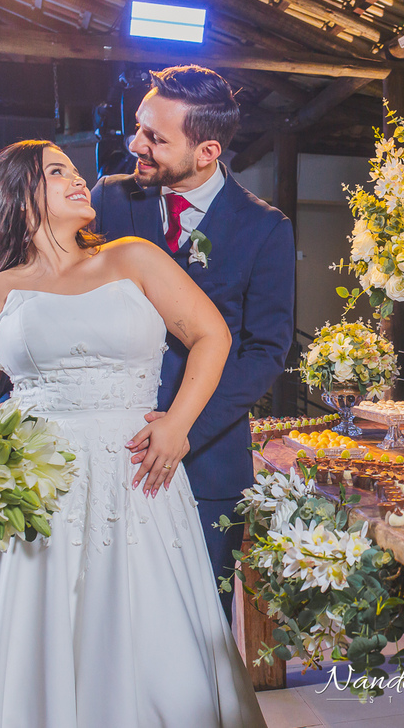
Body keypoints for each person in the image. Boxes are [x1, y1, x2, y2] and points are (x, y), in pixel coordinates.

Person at [0, 141, 267, 728]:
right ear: (20, 197)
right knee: (38, 635)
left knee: (149, 636)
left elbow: (212, 336)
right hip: (34, 490)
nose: (80, 180)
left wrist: (177, 424)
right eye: (58, 172)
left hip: (135, 479)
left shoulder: (133, 258)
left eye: (76, 171)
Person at [90, 65, 295, 622]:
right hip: (111, 449)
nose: (137, 145)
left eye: (155, 138)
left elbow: (265, 351)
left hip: (208, 462)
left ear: (207, 151)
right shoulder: (110, 199)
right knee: (108, 620)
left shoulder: (264, 228)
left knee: (195, 624)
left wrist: (182, 428)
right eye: (139, 128)